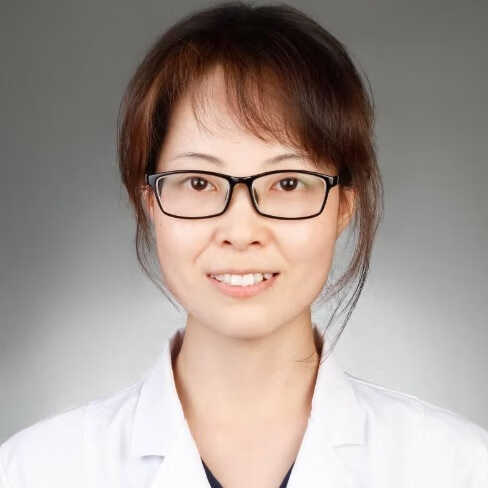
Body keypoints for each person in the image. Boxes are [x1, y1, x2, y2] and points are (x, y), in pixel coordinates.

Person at [1, 2, 487, 487]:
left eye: (288, 183)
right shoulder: (34, 470)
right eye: (198, 182)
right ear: (150, 203)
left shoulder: (458, 467)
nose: (240, 229)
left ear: (343, 206)